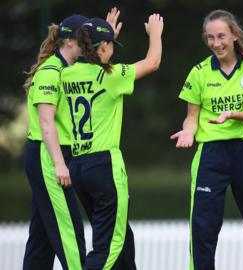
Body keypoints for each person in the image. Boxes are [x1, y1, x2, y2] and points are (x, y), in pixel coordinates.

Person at [171, 9, 243, 270]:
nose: (216, 43)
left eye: (221, 36)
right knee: (203, 230)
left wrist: (232, 114)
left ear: (235, 35)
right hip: (211, 155)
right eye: (211, 38)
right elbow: (191, 117)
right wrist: (189, 130)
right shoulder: (199, 72)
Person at [60, 13, 163, 269]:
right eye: (111, 47)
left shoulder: (67, 75)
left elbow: (93, 60)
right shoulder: (111, 76)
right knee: (110, 247)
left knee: (121, 238)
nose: (113, 53)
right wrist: (155, 35)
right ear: (103, 47)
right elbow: (153, 62)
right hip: (104, 165)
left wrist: (105, 36)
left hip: (79, 166)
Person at [23, 14, 88, 270]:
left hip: (58, 155)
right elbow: (46, 124)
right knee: (69, 232)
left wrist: (108, 35)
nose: (91, 45)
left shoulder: (71, 69)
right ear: (70, 41)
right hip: (48, 155)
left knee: (41, 238)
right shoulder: (51, 71)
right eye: (87, 39)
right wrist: (60, 165)